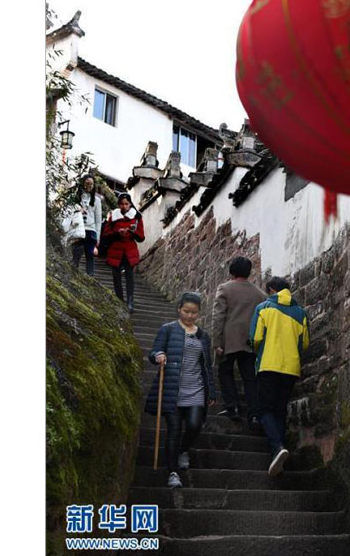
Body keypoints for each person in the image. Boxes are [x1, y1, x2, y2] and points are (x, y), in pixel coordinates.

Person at [144, 292, 216, 489]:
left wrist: (212, 391)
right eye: (186, 311)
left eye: (194, 312)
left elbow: (207, 366)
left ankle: (183, 449)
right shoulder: (167, 330)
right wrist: (158, 355)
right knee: (174, 430)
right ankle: (173, 473)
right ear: (179, 309)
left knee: (194, 425)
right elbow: (153, 352)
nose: (190, 315)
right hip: (173, 388)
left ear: (199, 312)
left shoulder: (203, 336)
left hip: (196, 389)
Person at [250, 276, 309, 476]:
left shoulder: (263, 308)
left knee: (264, 409)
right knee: (280, 410)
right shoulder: (301, 313)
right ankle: (280, 453)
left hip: (268, 364)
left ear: (271, 290)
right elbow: (305, 343)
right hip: (291, 368)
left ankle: (277, 447)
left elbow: (255, 338)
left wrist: (260, 350)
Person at [212, 256, 266, 430]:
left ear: (232, 271)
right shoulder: (260, 294)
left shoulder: (225, 288)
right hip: (250, 341)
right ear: (249, 272)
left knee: (225, 372)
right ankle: (254, 414)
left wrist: (216, 342)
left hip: (229, 339)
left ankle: (232, 407)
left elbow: (218, 316)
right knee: (250, 377)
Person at [102, 193, 145, 312]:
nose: (124, 206)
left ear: (130, 204)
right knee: (116, 277)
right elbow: (105, 234)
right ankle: (119, 300)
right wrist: (117, 233)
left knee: (129, 276)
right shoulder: (113, 216)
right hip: (115, 249)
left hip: (129, 249)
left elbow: (141, 237)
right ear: (118, 204)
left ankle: (130, 302)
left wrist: (133, 232)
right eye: (121, 204)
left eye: (126, 204)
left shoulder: (137, 217)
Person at [71, 174, 102, 276]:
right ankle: (73, 273)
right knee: (76, 253)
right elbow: (69, 212)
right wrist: (78, 210)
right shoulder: (76, 197)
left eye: (91, 184)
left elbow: (98, 220)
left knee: (90, 255)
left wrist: (98, 236)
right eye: (87, 183)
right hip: (78, 228)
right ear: (83, 183)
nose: (89, 186)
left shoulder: (97, 200)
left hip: (90, 230)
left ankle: (90, 276)